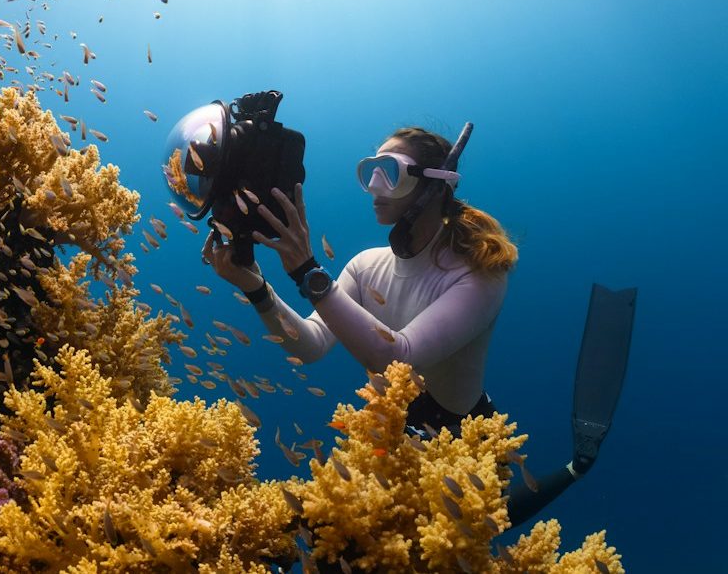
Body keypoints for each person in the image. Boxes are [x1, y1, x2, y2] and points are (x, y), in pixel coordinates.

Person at [201, 125, 634, 529]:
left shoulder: (479, 273)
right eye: (368, 171)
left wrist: (309, 273)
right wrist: (255, 286)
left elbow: (398, 358)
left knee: (467, 537)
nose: (374, 186)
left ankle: (576, 467)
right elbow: (310, 346)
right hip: (393, 429)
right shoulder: (366, 266)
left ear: (433, 184)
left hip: (463, 437)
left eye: (389, 173)